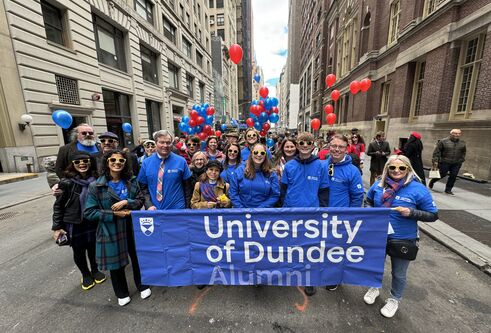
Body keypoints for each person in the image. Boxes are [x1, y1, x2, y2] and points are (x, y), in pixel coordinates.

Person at [363, 155, 438, 318]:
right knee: (374, 266)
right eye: (393, 167)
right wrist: (371, 212)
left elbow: (433, 215)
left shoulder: (418, 189)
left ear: (408, 169)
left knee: (399, 273)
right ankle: (374, 288)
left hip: (404, 237)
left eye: (401, 168)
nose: (397, 171)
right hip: (378, 234)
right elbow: (368, 201)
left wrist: (412, 212)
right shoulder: (378, 185)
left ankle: (394, 299)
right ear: (387, 169)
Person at [84, 149, 151, 306]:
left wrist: (127, 202)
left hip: (132, 225)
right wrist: (114, 214)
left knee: (137, 257)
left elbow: (140, 200)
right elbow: (89, 212)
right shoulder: (96, 185)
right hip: (110, 228)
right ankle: (121, 292)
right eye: (113, 160)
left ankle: (143, 285)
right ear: (107, 162)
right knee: (116, 263)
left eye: (121, 161)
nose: (117, 163)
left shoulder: (131, 181)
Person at [280, 132, 330, 296]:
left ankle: (309, 279)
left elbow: (323, 191)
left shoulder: (321, 166)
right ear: (297, 144)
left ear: (313, 144)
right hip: (291, 212)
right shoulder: (289, 166)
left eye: (308, 142)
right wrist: (283, 209)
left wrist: (322, 211)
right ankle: (292, 273)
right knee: (291, 245)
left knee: (310, 249)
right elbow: (284, 189)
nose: (305, 145)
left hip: (312, 213)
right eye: (302, 142)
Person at [52, 153, 105, 290]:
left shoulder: (97, 179)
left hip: (92, 220)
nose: (82, 164)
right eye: (78, 162)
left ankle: (95, 270)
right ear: (73, 164)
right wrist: (57, 227)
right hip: (75, 222)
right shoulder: (66, 182)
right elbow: (58, 206)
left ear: (90, 162)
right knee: (79, 251)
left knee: (93, 248)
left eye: (85, 161)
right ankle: (85, 274)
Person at [324, 134, 364, 291]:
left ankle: (334, 278)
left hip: (340, 219)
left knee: (336, 250)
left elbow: (357, 196)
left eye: (340, 147)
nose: (336, 149)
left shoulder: (353, 171)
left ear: (346, 149)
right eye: (334, 146)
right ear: (329, 146)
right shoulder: (321, 165)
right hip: (320, 216)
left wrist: (351, 218)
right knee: (320, 247)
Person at [137, 130, 192, 210]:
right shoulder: (146, 163)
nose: (165, 145)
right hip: (155, 211)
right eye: (162, 142)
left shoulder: (181, 161)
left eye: (168, 142)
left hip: (178, 210)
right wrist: (148, 205)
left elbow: (188, 187)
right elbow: (143, 188)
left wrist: (187, 208)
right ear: (156, 143)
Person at [229, 143, 280, 208]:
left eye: (262, 153)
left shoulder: (271, 174)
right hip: (242, 213)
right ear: (251, 154)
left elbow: (275, 195)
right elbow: (233, 193)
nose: (259, 155)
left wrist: (260, 209)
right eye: (256, 152)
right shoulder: (239, 171)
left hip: (264, 213)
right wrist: (242, 210)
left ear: (265, 155)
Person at [429, 129, 466, 195]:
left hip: (456, 163)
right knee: (442, 174)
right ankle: (432, 181)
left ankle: (448, 190)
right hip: (445, 161)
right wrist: (435, 161)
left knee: (453, 176)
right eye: (455, 133)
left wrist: (461, 159)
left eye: (459, 133)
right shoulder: (443, 141)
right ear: (451, 134)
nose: (457, 135)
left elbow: (463, 152)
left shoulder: (462, 143)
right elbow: (437, 152)